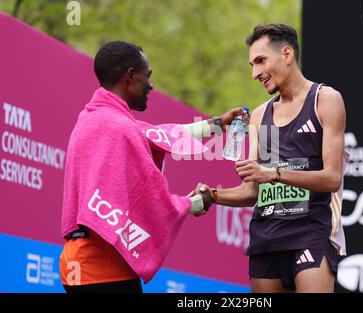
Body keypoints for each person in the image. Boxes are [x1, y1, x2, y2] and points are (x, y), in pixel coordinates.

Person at [60, 41, 242, 293]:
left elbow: (156, 134)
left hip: (78, 265)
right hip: (105, 271)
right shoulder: (118, 128)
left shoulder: (94, 119)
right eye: (148, 76)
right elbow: (150, 199)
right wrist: (196, 202)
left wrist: (216, 124)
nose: (152, 85)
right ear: (131, 75)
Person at [196, 24, 347, 293]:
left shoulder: (325, 100)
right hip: (265, 237)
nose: (255, 73)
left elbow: (332, 178)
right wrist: (213, 196)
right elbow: (251, 192)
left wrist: (273, 173)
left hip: (311, 231)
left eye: (260, 61)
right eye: (252, 65)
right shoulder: (258, 115)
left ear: (287, 54)